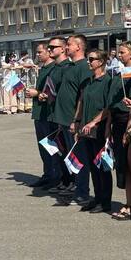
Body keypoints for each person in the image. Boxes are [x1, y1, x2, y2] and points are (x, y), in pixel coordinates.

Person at [52, 35, 93, 206]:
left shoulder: (84, 67)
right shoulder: (70, 66)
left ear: (78, 47)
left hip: (73, 121)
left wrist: (76, 120)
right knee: (71, 158)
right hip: (63, 119)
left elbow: (82, 97)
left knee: (79, 158)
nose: (66, 47)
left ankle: (83, 193)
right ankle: (76, 188)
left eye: (69, 44)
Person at [108, 42, 131, 220]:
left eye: (122, 52)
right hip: (117, 122)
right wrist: (108, 127)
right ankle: (128, 201)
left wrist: (129, 128)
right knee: (123, 165)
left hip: (129, 121)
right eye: (118, 52)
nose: (119, 55)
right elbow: (111, 104)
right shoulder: (118, 74)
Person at [73, 50, 113, 213]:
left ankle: (105, 201)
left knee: (102, 166)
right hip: (86, 130)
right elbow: (82, 103)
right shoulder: (88, 81)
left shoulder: (108, 81)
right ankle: (97, 198)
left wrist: (94, 122)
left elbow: (108, 108)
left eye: (92, 59)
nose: (88, 62)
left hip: (99, 130)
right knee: (92, 166)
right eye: (88, 59)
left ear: (101, 62)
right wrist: (77, 123)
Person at [25, 43, 58, 188]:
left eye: (40, 52)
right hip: (39, 113)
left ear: (48, 52)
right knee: (43, 147)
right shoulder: (43, 68)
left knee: (51, 147)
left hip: (47, 113)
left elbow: (52, 91)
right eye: (37, 52)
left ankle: (55, 176)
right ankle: (48, 174)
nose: (37, 55)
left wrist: (37, 93)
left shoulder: (54, 68)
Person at [39, 38, 69, 191]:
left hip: (62, 116)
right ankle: (58, 179)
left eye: (52, 47)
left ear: (63, 49)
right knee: (52, 149)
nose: (49, 50)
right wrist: (44, 94)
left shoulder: (67, 67)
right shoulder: (55, 68)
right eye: (48, 47)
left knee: (63, 150)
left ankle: (67, 181)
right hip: (50, 113)